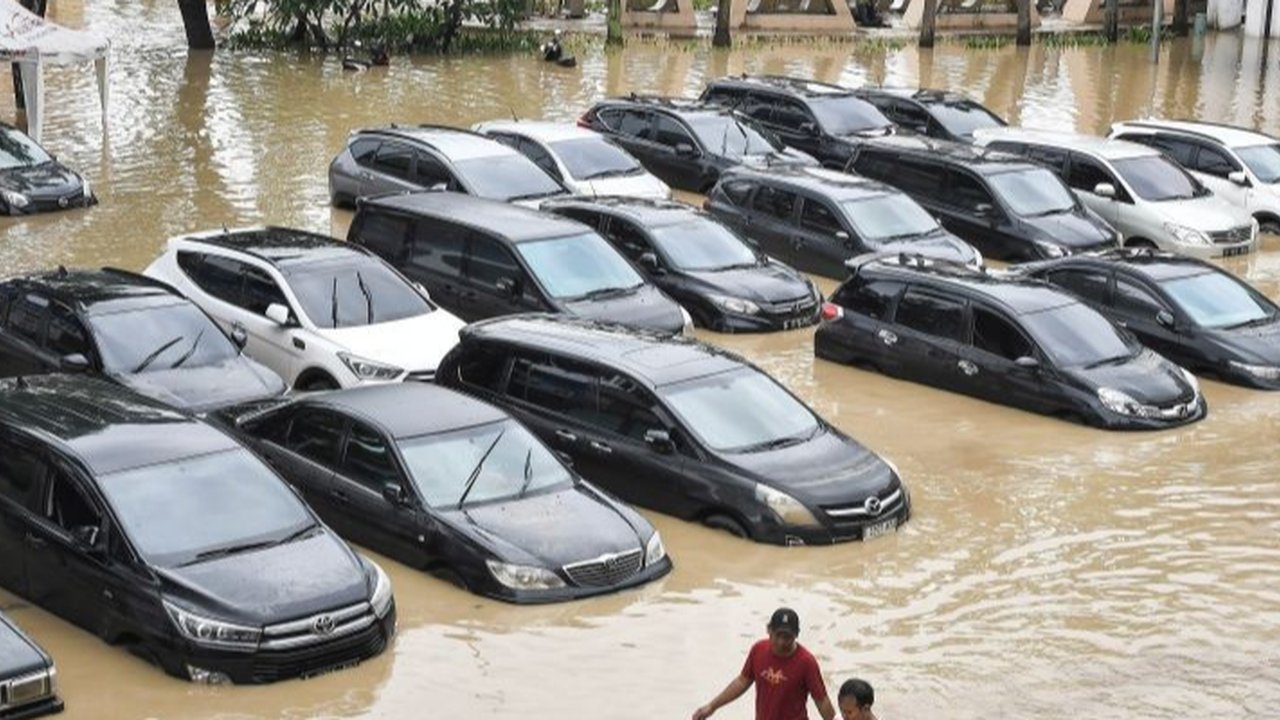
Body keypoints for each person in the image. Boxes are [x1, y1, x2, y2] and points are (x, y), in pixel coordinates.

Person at [693, 608, 836, 720]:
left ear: (797, 634)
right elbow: (743, 681)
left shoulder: (806, 662)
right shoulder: (758, 650)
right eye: (778, 635)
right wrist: (712, 706)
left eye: (787, 637)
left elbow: (821, 700)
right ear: (769, 630)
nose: (781, 642)